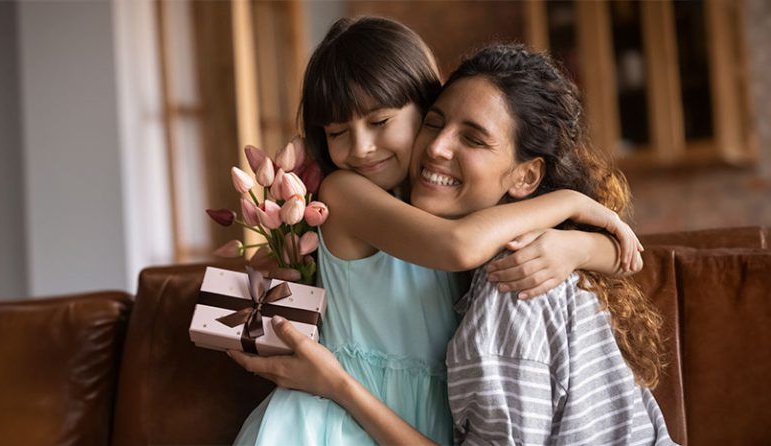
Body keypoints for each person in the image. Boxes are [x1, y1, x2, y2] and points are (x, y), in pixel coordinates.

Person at [233, 43, 676, 444]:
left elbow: (627, 259)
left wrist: (574, 247)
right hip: (334, 422)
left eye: (381, 122)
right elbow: (457, 246)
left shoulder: (449, 214)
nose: (362, 148)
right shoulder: (347, 193)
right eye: (337, 132)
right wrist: (570, 203)